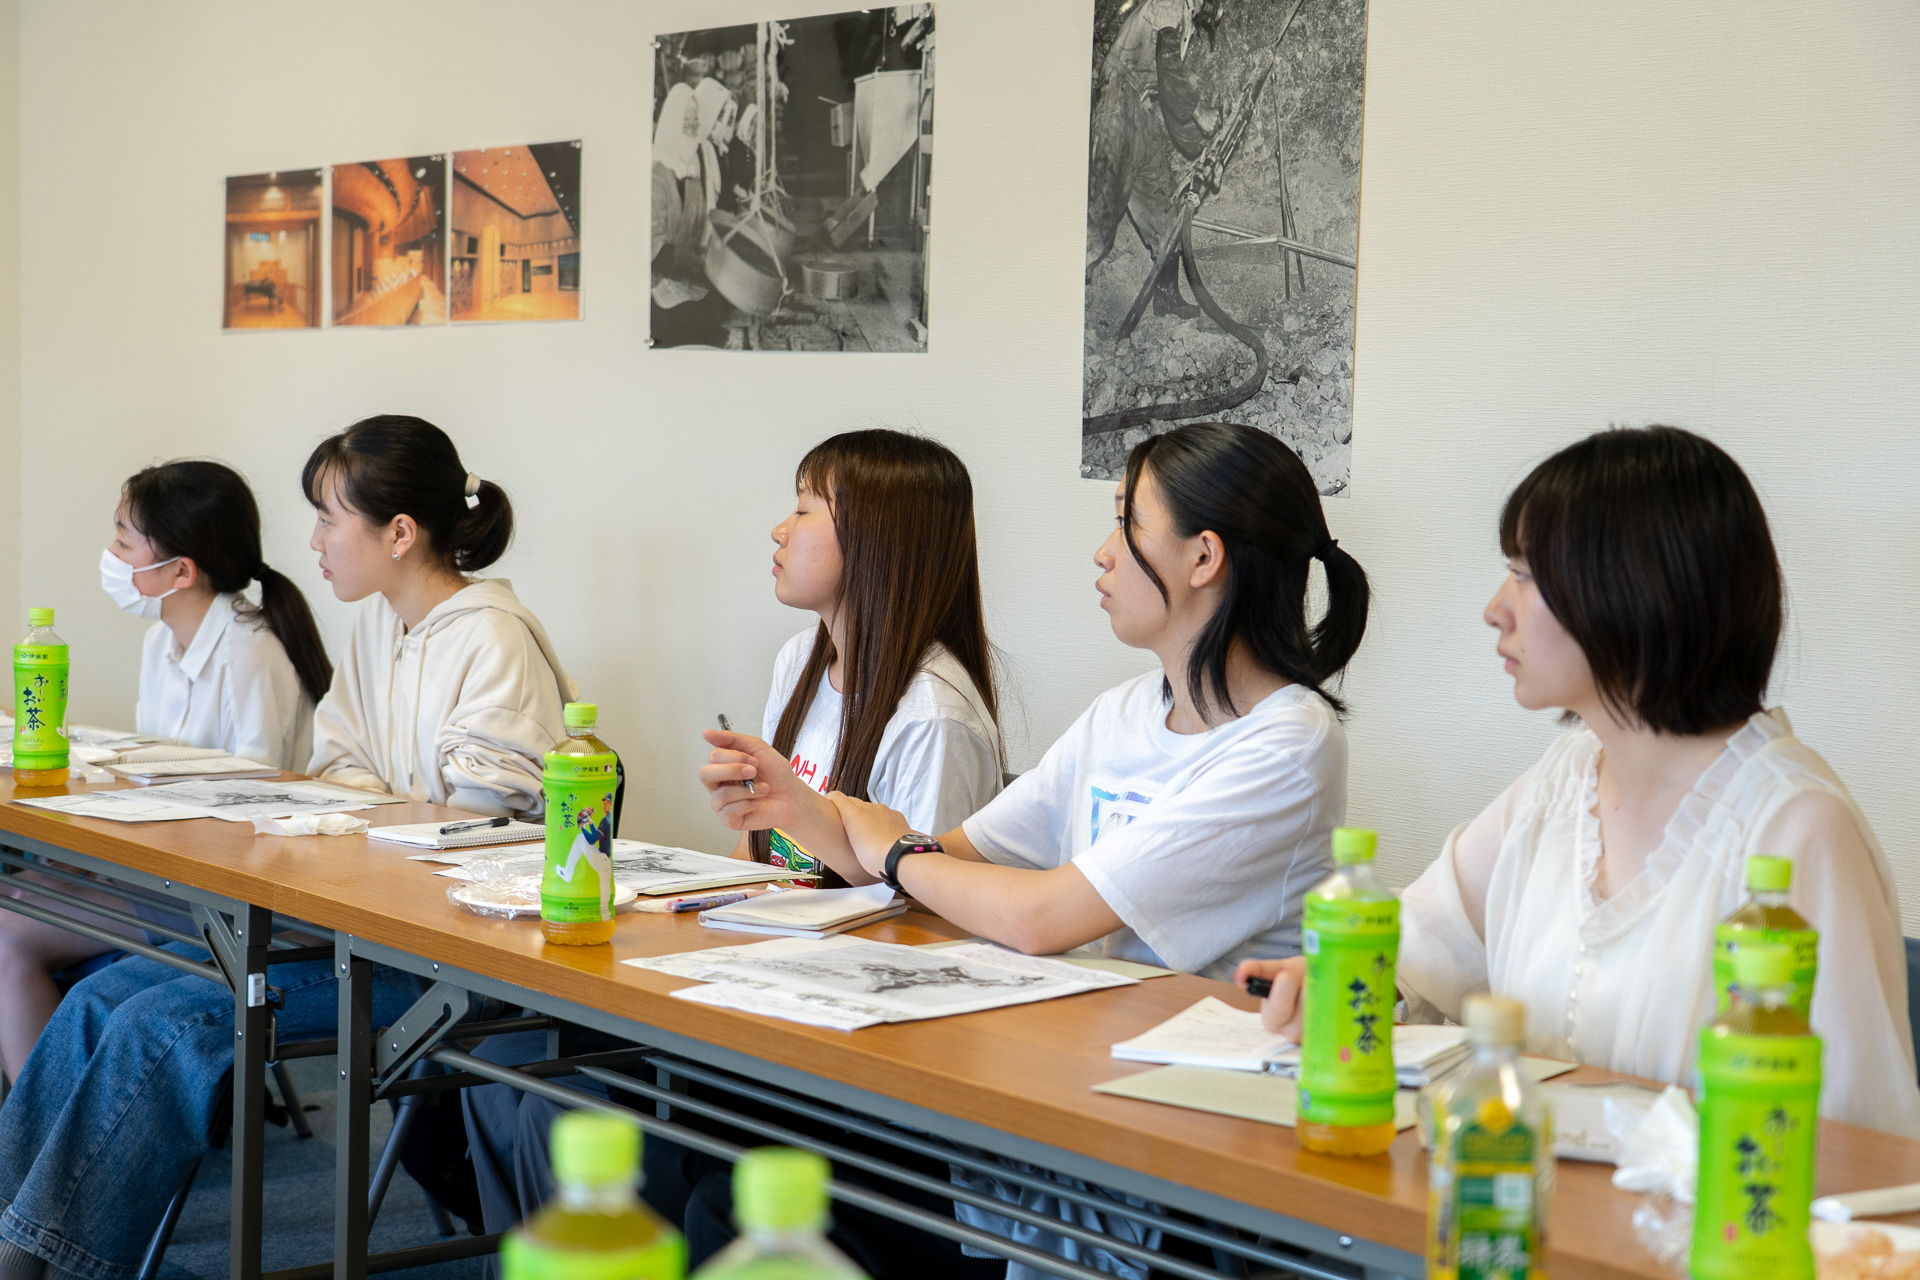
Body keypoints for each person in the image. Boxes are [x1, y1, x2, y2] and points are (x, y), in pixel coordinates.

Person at [705, 421, 1369, 1280]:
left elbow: (1041, 915)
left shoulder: (1289, 742)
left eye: (1126, 523)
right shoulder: (1125, 710)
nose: (1101, 552)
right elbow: (959, 856)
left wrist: (897, 853)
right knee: (733, 1187)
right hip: (1088, 1091)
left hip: (1208, 1152)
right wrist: (804, 810)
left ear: (1204, 558)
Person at [0, 416, 572, 1280]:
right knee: (99, 1001)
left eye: (329, 519)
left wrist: (374, 811)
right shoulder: (382, 627)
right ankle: (18, 1239)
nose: (312, 542)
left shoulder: (491, 636)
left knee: (162, 1026)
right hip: (350, 915)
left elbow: (479, 826)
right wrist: (379, 810)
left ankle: (48, 1261)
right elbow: (336, 777)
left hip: (439, 947)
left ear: (400, 534)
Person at [1236, 425, 1920, 1139]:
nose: (1496, 607)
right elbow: (1418, 945)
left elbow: (1860, 1147)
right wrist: (1327, 979)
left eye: (1527, 575)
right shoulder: (1563, 782)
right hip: (1518, 1203)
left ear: (1636, 588)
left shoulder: (1794, 826)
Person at [462, 428, 1007, 1273]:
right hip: (770, 980)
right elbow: (772, 867)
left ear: (877, 539)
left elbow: (927, 917)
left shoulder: (933, 712)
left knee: (556, 1098)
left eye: (802, 510)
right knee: (503, 1067)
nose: (778, 532)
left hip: (853, 1034)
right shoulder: (802, 659)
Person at [0, 460, 333, 1081]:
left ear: (180, 570)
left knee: (8, 939)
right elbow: (149, 773)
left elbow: (248, 808)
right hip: (160, 872)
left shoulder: (251, 654)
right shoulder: (162, 641)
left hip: (217, 892)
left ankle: (46, 1150)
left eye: (125, 541)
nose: (112, 555)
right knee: (15, 894)